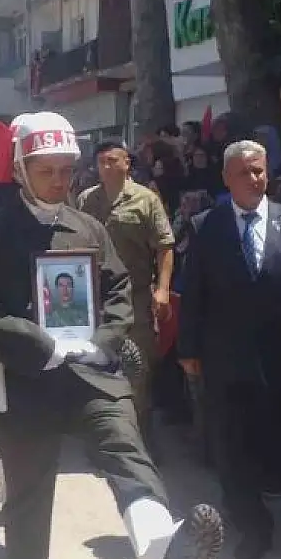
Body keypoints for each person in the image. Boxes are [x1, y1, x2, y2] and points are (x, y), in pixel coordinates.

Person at [0, 111, 223, 559]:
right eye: (47, 171)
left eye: (65, 171)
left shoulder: (89, 228)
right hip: (23, 383)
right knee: (28, 499)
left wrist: (101, 342)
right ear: (20, 169)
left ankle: (163, 552)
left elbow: (119, 289)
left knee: (127, 450)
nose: (59, 181)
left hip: (90, 374)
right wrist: (41, 344)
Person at [177, 139, 281, 559]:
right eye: (244, 172)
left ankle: (259, 495)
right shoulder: (207, 225)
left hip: (279, 358)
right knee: (229, 445)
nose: (255, 179)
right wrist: (188, 347)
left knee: (272, 442)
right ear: (227, 178)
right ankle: (251, 523)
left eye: (260, 170)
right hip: (224, 357)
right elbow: (194, 293)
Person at [78, 138, 175, 443]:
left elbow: (164, 247)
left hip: (136, 299)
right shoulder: (85, 201)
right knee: (94, 366)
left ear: (126, 163)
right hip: (94, 301)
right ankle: (103, 434)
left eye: (113, 160)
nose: (106, 167)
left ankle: (140, 437)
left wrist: (163, 289)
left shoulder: (146, 200)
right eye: (102, 161)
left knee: (138, 370)